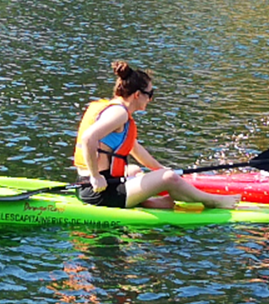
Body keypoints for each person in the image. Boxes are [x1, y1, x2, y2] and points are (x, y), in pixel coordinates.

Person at [73, 60, 240, 210]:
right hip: (100, 192)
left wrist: (160, 169)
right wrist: (95, 176)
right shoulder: (119, 114)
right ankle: (212, 201)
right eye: (149, 94)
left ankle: (153, 200)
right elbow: (89, 138)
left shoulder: (113, 108)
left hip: (96, 185)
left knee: (135, 170)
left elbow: (135, 149)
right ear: (137, 95)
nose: (150, 100)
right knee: (169, 178)